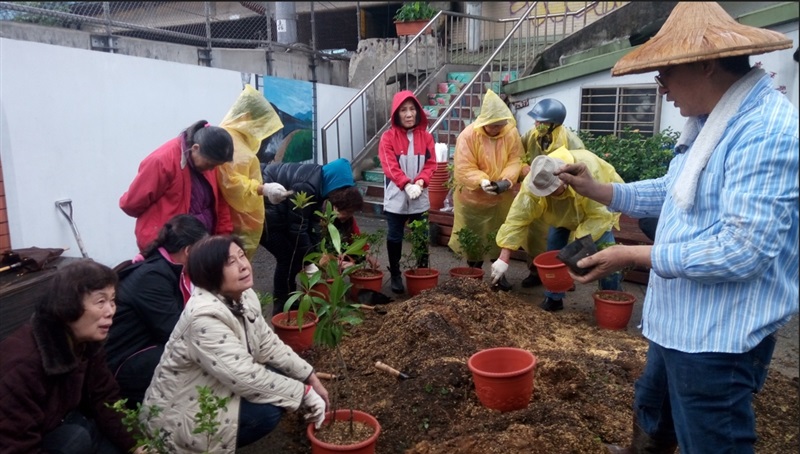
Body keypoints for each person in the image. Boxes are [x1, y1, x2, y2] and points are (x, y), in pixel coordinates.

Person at [554, 3, 797, 452]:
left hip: (718, 335)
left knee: (712, 436)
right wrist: (599, 190)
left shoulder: (764, 131)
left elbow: (741, 249)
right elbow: (673, 189)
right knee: (655, 407)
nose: (661, 88)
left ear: (705, 63)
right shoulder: (708, 123)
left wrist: (627, 255)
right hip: (680, 320)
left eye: (664, 73)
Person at [142, 235, 329, 451]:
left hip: (212, 386)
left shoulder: (244, 295)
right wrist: (303, 394)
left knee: (281, 379)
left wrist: (309, 375)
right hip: (183, 416)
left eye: (242, 256)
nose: (243, 266)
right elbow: (245, 377)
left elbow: (267, 343)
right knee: (268, 412)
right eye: (231, 262)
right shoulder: (203, 316)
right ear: (209, 272)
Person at [0, 259, 142, 454]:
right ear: (68, 305)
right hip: (29, 441)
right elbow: (15, 445)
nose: (110, 311)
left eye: (112, 300)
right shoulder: (23, 365)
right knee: (75, 438)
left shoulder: (86, 343)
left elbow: (105, 398)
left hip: (58, 425)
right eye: (101, 301)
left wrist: (137, 445)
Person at [493, 149, 624, 311]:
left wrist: (576, 246)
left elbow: (599, 216)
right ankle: (554, 298)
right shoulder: (535, 181)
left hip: (599, 209)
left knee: (606, 255)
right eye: (544, 192)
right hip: (562, 214)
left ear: (563, 181)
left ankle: (612, 300)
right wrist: (503, 258)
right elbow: (518, 217)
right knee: (554, 252)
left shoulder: (588, 173)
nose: (547, 195)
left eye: (551, 191)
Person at [104, 214, 208, 408]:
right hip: (124, 362)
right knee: (195, 358)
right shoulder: (152, 278)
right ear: (188, 251)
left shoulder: (167, 269)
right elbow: (176, 332)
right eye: (204, 250)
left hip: (145, 348)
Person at [261, 157, 363, 315]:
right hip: (265, 212)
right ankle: (281, 307)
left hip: (278, 213)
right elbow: (298, 228)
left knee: (293, 258)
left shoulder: (320, 187)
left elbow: (312, 224)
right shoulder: (307, 186)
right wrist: (311, 260)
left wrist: (314, 253)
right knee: (287, 258)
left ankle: (289, 302)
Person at [448, 89, 523, 291]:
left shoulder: (511, 133)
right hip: (472, 199)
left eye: (500, 125)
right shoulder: (468, 136)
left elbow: (516, 159)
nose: (497, 129)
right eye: (493, 125)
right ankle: (474, 274)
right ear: (484, 122)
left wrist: (507, 180)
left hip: (500, 198)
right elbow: (463, 167)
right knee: (474, 236)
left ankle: (499, 276)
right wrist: (481, 180)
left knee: (498, 235)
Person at [120, 120, 234, 252]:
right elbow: (130, 204)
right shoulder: (161, 162)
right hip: (168, 246)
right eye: (210, 164)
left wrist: (223, 237)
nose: (212, 169)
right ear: (195, 148)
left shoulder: (209, 158)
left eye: (216, 166)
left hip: (200, 246)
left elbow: (219, 202)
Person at [217, 84, 293, 259]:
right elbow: (230, 182)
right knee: (232, 268)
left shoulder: (237, 138)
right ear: (247, 117)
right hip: (233, 221)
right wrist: (262, 189)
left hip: (241, 217)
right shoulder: (231, 142)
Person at [519, 98, 587, 288]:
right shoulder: (531, 136)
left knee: (561, 238)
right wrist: (523, 168)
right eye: (536, 121)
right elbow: (517, 154)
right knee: (533, 234)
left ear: (553, 124)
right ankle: (534, 271)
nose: (536, 124)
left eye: (541, 121)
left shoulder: (572, 142)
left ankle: (565, 276)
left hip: (560, 195)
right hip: (537, 191)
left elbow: (582, 169)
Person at [378, 90, 437, 293]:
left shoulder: (427, 137)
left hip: (419, 195)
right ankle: (395, 274)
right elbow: (389, 165)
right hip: (396, 195)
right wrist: (406, 183)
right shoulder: (388, 138)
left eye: (412, 109)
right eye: (403, 110)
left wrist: (421, 181)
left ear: (418, 112)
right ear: (396, 114)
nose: (409, 114)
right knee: (395, 236)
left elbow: (431, 164)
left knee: (421, 234)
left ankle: (421, 271)